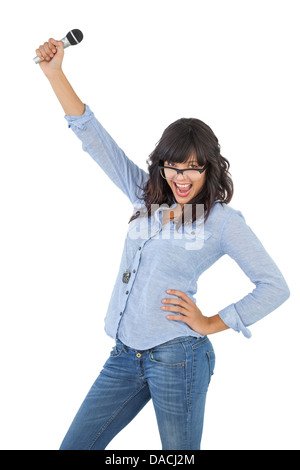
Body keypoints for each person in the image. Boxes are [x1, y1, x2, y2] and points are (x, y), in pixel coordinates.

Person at [35, 38, 290, 450]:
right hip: (124, 355)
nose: (181, 178)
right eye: (173, 166)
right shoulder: (145, 196)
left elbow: (274, 287)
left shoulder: (222, 221)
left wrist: (210, 323)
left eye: (193, 168)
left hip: (178, 358)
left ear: (209, 168)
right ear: (162, 165)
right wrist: (55, 73)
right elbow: (94, 138)